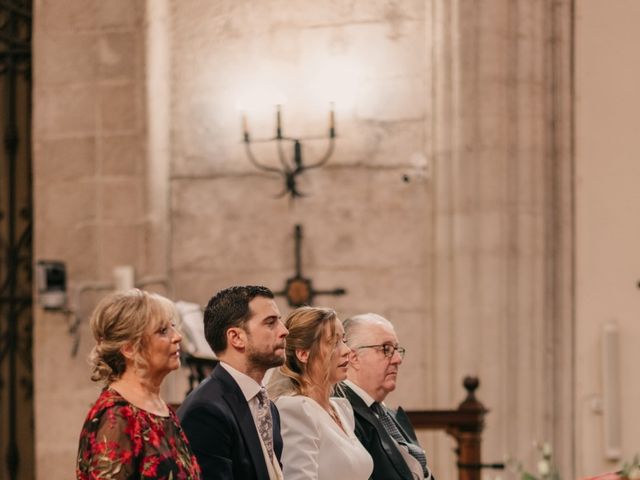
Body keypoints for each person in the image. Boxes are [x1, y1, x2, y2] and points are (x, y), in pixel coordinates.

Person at [76, 289, 201, 479]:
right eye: (163, 331)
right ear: (129, 348)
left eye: (173, 326)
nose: (177, 337)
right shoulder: (116, 417)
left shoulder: (161, 409)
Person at [178, 285, 288, 480]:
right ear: (236, 337)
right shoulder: (206, 410)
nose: (284, 331)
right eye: (271, 323)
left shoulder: (268, 406)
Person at [269, 306, 373, 480]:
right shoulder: (295, 409)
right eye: (334, 343)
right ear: (303, 354)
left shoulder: (341, 409)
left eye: (344, 340)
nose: (347, 351)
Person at [341, 313, 434, 480]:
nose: (398, 359)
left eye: (396, 349)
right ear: (353, 357)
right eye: (386, 349)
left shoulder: (388, 414)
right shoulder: (341, 413)